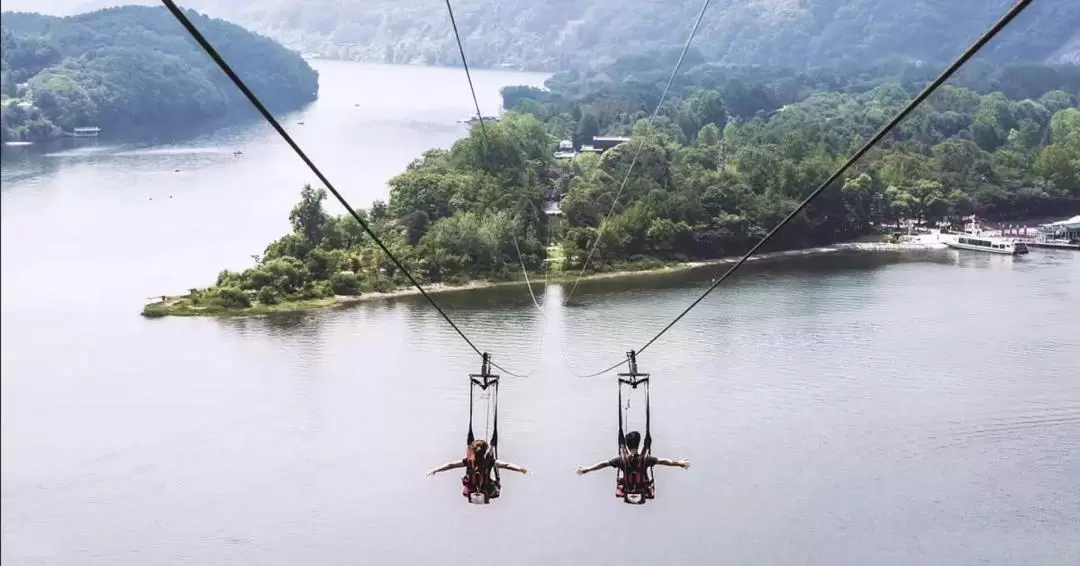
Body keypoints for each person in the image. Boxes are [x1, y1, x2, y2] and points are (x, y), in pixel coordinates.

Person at [575, 431, 689, 500]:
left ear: (627, 446)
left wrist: (587, 469)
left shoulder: (622, 460)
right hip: (642, 488)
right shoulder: (645, 459)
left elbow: (604, 464)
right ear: (639, 443)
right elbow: (665, 461)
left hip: (627, 488)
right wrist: (680, 463)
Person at [426, 439, 528, 503]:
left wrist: (435, 469)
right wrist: (520, 469)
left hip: (472, 490)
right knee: (496, 487)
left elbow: (450, 465)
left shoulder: (469, 462)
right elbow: (506, 465)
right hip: (487, 490)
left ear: (473, 451)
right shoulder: (490, 461)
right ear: (485, 451)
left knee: (474, 483)